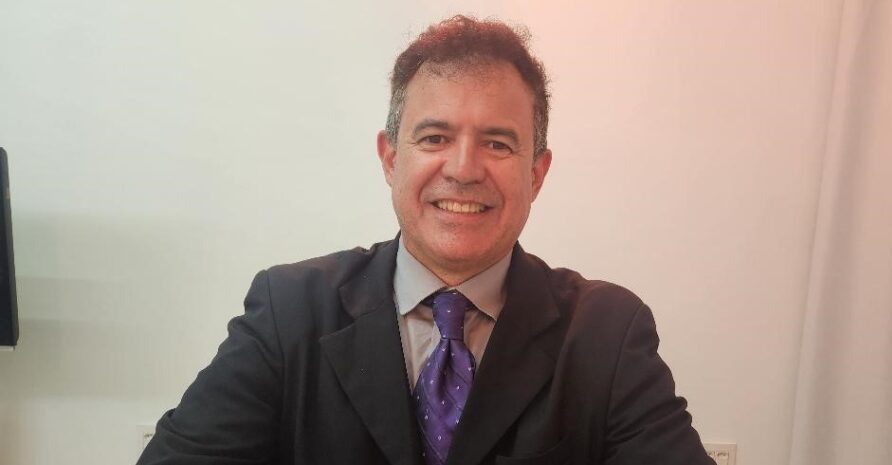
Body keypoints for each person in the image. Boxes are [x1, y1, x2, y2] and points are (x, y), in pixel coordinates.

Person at [139, 15, 713, 465]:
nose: (463, 169)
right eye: (435, 137)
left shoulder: (607, 333)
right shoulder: (288, 312)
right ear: (391, 158)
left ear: (536, 174)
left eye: (497, 143)